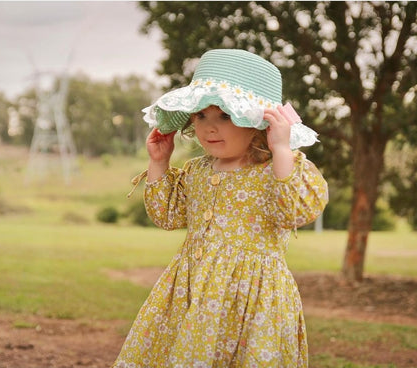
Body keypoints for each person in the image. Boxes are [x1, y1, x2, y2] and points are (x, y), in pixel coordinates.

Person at [113, 49, 328, 368]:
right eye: (201, 116)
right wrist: (159, 162)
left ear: (257, 123)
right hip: (192, 290)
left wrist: (281, 148)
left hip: (250, 300)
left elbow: (297, 211)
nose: (209, 128)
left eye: (225, 116)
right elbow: (167, 215)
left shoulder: (275, 169)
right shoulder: (198, 170)